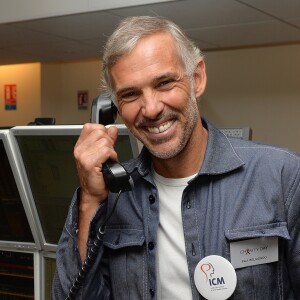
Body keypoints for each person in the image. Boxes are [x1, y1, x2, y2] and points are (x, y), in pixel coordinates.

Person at [52, 16, 300, 299]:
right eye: (131, 94)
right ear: (113, 108)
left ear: (197, 79)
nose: (152, 108)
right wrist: (90, 201)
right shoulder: (110, 195)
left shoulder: (283, 177)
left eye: (164, 83)